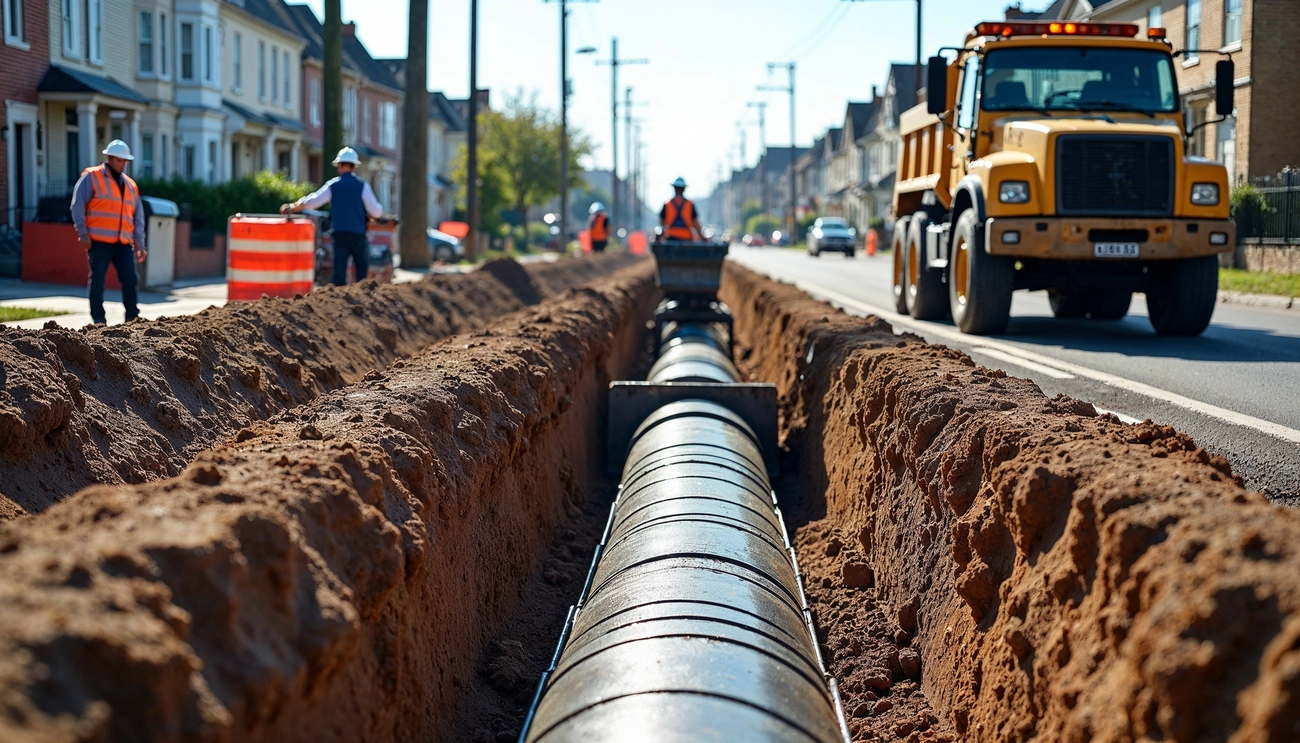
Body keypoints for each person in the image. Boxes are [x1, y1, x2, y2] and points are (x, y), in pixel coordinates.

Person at [280, 146, 383, 285]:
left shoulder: (333, 185)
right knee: (361, 274)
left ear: (340, 166)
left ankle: (339, 301)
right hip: (358, 234)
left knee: (339, 273)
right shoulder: (362, 186)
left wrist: (293, 207)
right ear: (354, 167)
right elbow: (376, 211)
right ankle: (362, 300)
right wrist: (381, 213)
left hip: (339, 234)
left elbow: (314, 200)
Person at [71, 139, 147, 325]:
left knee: (131, 279)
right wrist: (83, 232)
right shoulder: (92, 177)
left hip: (122, 243)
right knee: (97, 282)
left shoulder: (131, 185)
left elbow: (137, 217)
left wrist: (140, 243)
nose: (124, 164)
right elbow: (77, 205)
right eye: (121, 160)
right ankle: (99, 320)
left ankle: (132, 317)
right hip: (98, 241)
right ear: (110, 158)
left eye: (126, 160)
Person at [659, 177, 704, 242]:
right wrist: (703, 238)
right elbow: (696, 223)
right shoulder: (690, 204)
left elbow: (662, 223)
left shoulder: (667, 204)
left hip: (671, 239)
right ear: (684, 189)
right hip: (686, 239)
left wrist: (661, 236)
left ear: (674, 188)